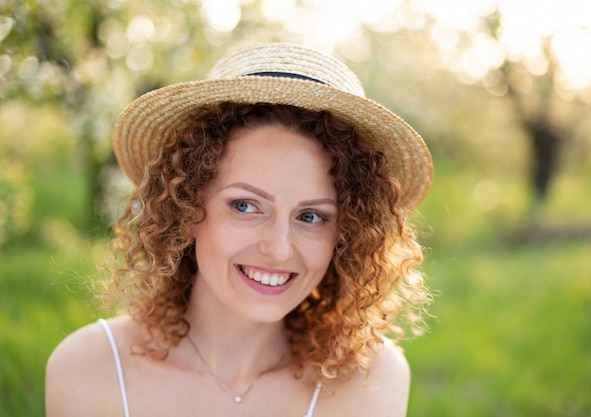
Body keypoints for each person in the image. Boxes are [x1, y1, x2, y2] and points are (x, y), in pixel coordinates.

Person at [45, 42, 433, 417]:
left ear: (345, 234)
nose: (279, 249)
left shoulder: (372, 381)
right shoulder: (90, 370)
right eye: (246, 206)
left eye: (311, 216)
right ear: (188, 207)